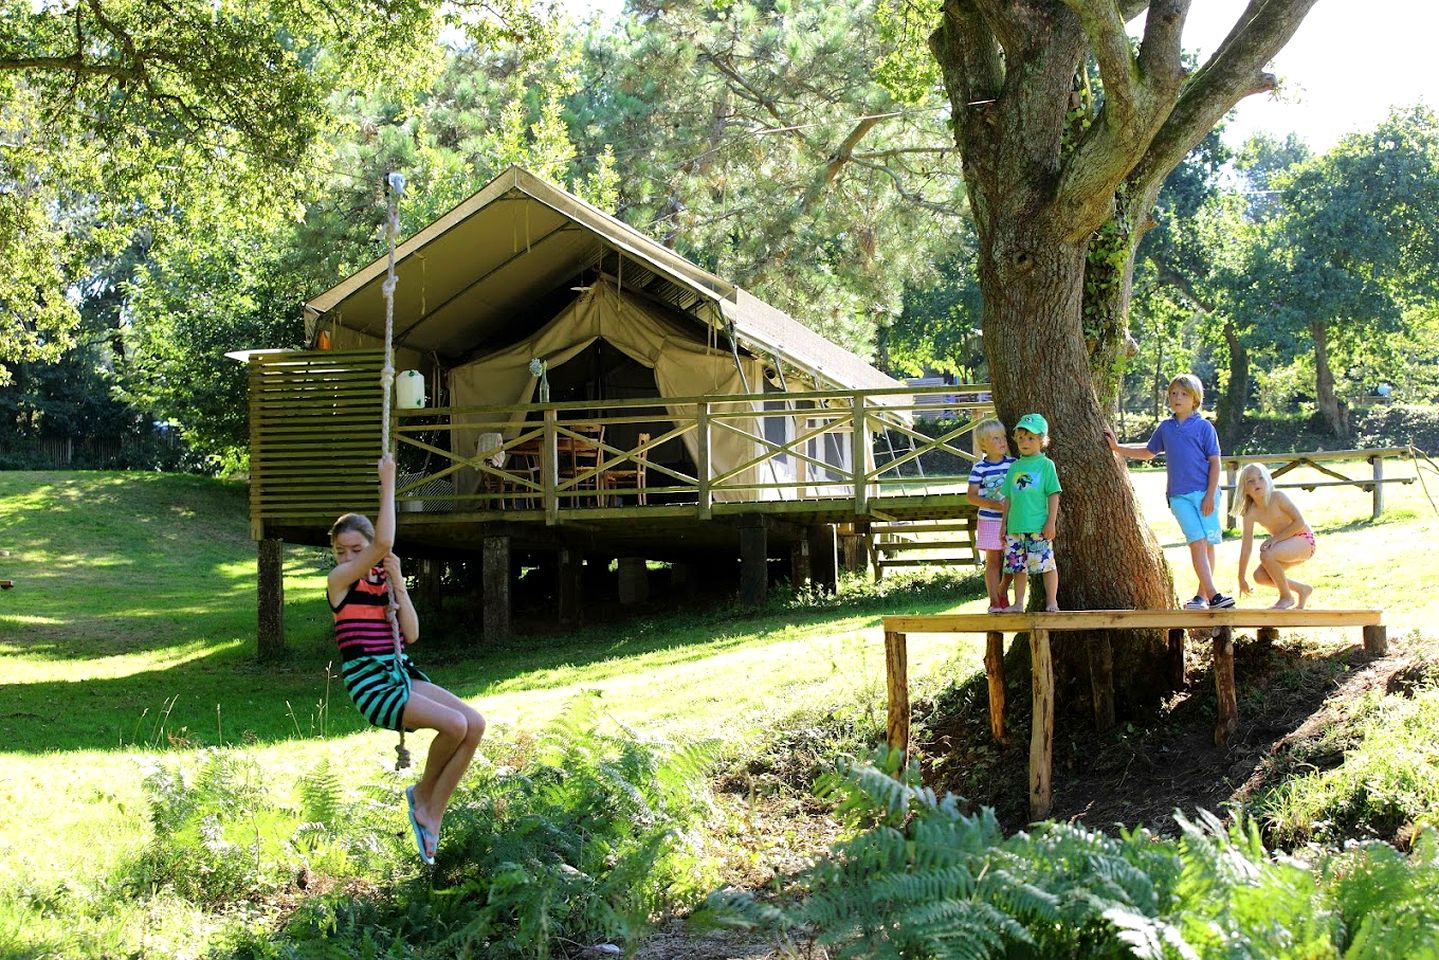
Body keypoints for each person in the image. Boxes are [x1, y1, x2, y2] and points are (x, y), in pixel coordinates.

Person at [328, 454, 485, 865]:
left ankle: (432, 806)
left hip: (399, 672)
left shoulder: (383, 581)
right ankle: (423, 801)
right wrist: (388, 483)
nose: (348, 557)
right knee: (454, 725)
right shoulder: (338, 582)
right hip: (372, 683)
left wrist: (398, 582)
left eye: (355, 549)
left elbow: (411, 634)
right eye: (342, 550)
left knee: (475, 725)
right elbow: (383, 542)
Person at [1105, 374, 1234, 610]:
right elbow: (1148, 451)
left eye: (1183, 394)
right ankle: (1214, 595)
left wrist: (1209, 495)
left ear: (1195, 399)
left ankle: (1202, 596)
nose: (1177, 397)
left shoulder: (1205, 427)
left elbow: (1215, 462)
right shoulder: (1166, 428)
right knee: (1197, 542)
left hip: (1206, 494)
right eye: (1173, 393)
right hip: (1179, 496)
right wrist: (1117, 448)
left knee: (1208, 545)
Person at [999, 413, 1062, 612]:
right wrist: (1003, 524)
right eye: (1021, 438)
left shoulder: (1046, 465)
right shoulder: (1014, 467)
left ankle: (1052, 601)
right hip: (1015, 527)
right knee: (1017, 567)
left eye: (1031, 438)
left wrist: (1050, 522)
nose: (1025, 442)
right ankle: (1018, 603)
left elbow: (1053, 494)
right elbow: (1008, 497)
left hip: (1038, 526)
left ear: (1042, 440)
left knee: (1047, 565)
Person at [1230, 463, 1316, 609]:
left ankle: (1286, 597)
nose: (1256, 483)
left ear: (1268, 480)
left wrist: (1275, 539)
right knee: (1260, 576)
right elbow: (1246, 548)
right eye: (1250, 481)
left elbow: (1300, 522)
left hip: (1304, 541)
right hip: (1285, 547)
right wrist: (1241, 578)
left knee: (1266, 554)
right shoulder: (1250, 513)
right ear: (1245, 489)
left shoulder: (1278, 497)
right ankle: (1302, 589)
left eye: (1260, 478)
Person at [967, 417, 1016, 613]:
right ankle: (994, 600)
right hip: (989, 521)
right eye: (995, 438)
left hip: (1013, 520)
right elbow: (971, 496)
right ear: (984, 444)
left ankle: (1003, 587)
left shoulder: (1014, 464)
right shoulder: (980, 468)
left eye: (1003, 437)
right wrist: (995, 505)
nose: (1002, 442)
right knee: (993, 560)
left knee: (1013, 560)